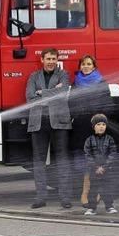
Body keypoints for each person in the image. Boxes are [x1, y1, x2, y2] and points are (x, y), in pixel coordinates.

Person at [26, 48, 73, 209]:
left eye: (54, 58)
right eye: (48, 58)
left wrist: (42, 93)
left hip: (59, 122)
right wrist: (50, 93)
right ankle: (40, 197)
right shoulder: (33, 76)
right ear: (42, 60)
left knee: (62, 160)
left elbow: (63, 91)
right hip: (38, 123)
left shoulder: (63, 75)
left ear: (57, 60)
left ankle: (65, 198)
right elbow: (30, 97)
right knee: (38, 162)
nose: (51, 61)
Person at [71, 55, 105, 208]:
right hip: (80, 126)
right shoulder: (76, 83)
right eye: (83, 64)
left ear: (94, 67)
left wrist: (99, 122)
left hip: (94, 127)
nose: (86, 66)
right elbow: (71, 102)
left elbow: (106, 103)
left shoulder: (101, 82)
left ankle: (93, 193)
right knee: (82, 163)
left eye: (89, 64)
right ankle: (85, 192)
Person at [83, 114, 119, 215]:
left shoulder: (110, 139)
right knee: (93, 189)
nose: (101, 126)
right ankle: (91, 208)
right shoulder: (89, 140)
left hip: (106, 169)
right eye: (98, 124)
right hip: (94, 170)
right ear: (93, 126)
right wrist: (96, 167)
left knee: (107, 188)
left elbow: (113, 153)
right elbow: (87, 155)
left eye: (103, 124)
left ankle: (109, 206)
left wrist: (104, 167)